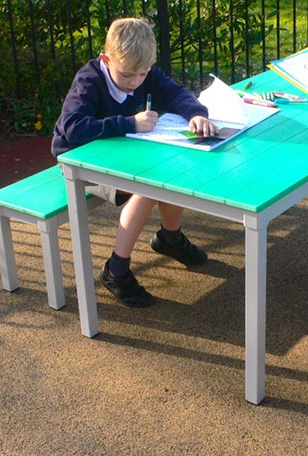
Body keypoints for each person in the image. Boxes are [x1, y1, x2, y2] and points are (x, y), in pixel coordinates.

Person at [51, 17, 218, 307]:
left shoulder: (144, 72)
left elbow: (176, 93)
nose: (135, 82)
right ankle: (116, 268)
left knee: (173, 167)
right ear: (106, 59)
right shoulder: (89, 80)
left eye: (142, 74)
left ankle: (170, 238)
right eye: (127, 75)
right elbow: (73, 128)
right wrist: (129, 123)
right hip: (80, 163)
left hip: (122, 154)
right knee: (148, 186)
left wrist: (196, 113)